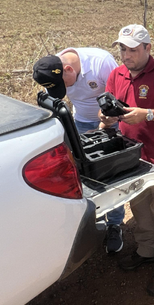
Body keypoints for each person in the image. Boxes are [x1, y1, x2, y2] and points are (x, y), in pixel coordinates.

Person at [99, 24, 154, 296]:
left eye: (133, 50)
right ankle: (147, 250)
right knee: (140, 209)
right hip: (132, 156)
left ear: (148, 48)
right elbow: (111, 109)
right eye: (123, 49)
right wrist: (108, 118)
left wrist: (147, 114)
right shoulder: (117, 74)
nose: (126, 55)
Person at [32, 47, 125, 253]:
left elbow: (119, 93)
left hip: (110, 122)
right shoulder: (52, 70)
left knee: (112, 173)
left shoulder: (101, 63)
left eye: (63, 85)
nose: (62, 89)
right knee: (86, 174)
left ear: (69, 69)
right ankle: (96, 217)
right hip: (80, 123)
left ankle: (115, 224)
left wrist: (108, 121)